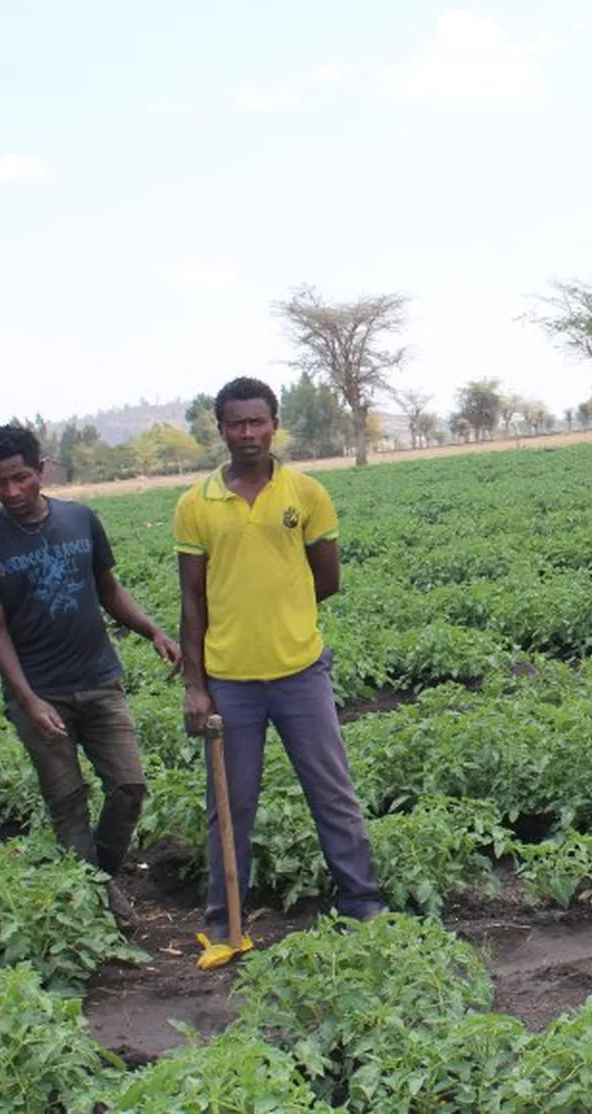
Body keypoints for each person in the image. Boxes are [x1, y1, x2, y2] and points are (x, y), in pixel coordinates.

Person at [175, 376, 384, 969]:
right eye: (237, 423)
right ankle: (225, 923)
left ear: (274, 424)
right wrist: (196, 685)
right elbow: (192, 599)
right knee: (228, 802)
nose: (248, 433)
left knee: (332, 791)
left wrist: (282, 614)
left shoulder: (306, 493)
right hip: (230, 682)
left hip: (299, 673)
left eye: (258, 421)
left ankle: (361, 903)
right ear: (221, 429)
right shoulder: (196, 505)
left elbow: (328, 579)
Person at [0, 424, 180, 927]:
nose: (12, 492)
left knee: (129, 787)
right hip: (39, 694)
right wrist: (30, 702)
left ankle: (97, 880)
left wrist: (153, 631)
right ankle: (98, 903)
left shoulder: (80, 521)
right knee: (68, 803)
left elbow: (108, 589)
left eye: (20, 478)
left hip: (99, 679)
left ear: (41, 470)